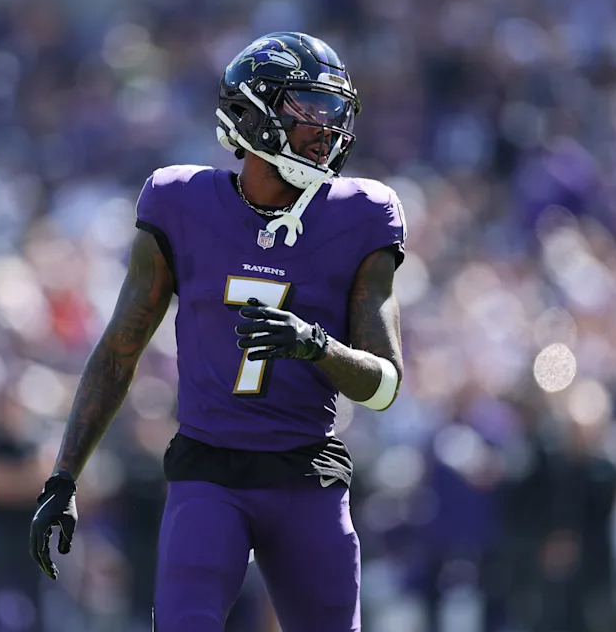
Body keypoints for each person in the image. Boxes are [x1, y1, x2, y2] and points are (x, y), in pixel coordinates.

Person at [28, 31, 407, 631]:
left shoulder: (364, 214)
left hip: (306, 475)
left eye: (336, 112)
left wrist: (316, 347)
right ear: (254, 114)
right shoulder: (179, 203)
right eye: (309, 109)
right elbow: (119, 352)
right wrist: (64, 475)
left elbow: (384, 384)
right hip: (209, 474)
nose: (327, 129)